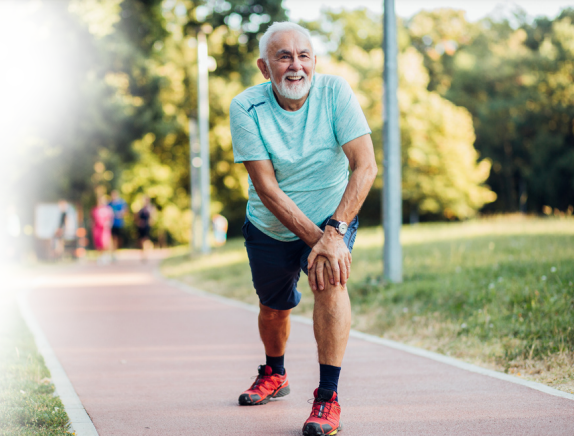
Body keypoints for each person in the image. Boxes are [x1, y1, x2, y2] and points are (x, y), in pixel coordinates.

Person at [230, 22, 377, 436]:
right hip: (270, 225)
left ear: (314, 61)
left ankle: (327, 399)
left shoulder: (335, 93)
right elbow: (267, 188)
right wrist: (322, 240)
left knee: (331, 282)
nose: (296, 66)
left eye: (304, 56)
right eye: (284, 57)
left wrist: (334, 234)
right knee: (273, 308)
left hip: (334, 215)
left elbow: (365, 166)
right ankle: (274, 372)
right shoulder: (245, 107)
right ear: (264, 68)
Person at [91, 196, 113, 264]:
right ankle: (99, 257)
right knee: (98, 243)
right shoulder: (95, 210)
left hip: (105, 229)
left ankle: (106, 256)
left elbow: (110, 219)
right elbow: (93, 220)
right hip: (97, 229)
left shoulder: (108, 209)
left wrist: (108, 224)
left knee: (105, 243)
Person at [108, 190, 127, 261]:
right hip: (112, 224)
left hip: (119, 223)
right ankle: (113, 253)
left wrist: (120, 213)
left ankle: (117, 251)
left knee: (119, 239)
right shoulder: (109, 204)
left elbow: (125, 211)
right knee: (113, 238)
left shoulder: (121, 203)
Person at [136, 196, 153, 261]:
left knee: (146, 240)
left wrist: (148, 224)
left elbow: (152, 217)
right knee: (141, 240)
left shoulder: (150, 208)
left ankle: (146, 254)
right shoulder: (141, 209)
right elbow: (137, 217)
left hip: (147, 226)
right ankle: (142, 253)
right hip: (141, 227)